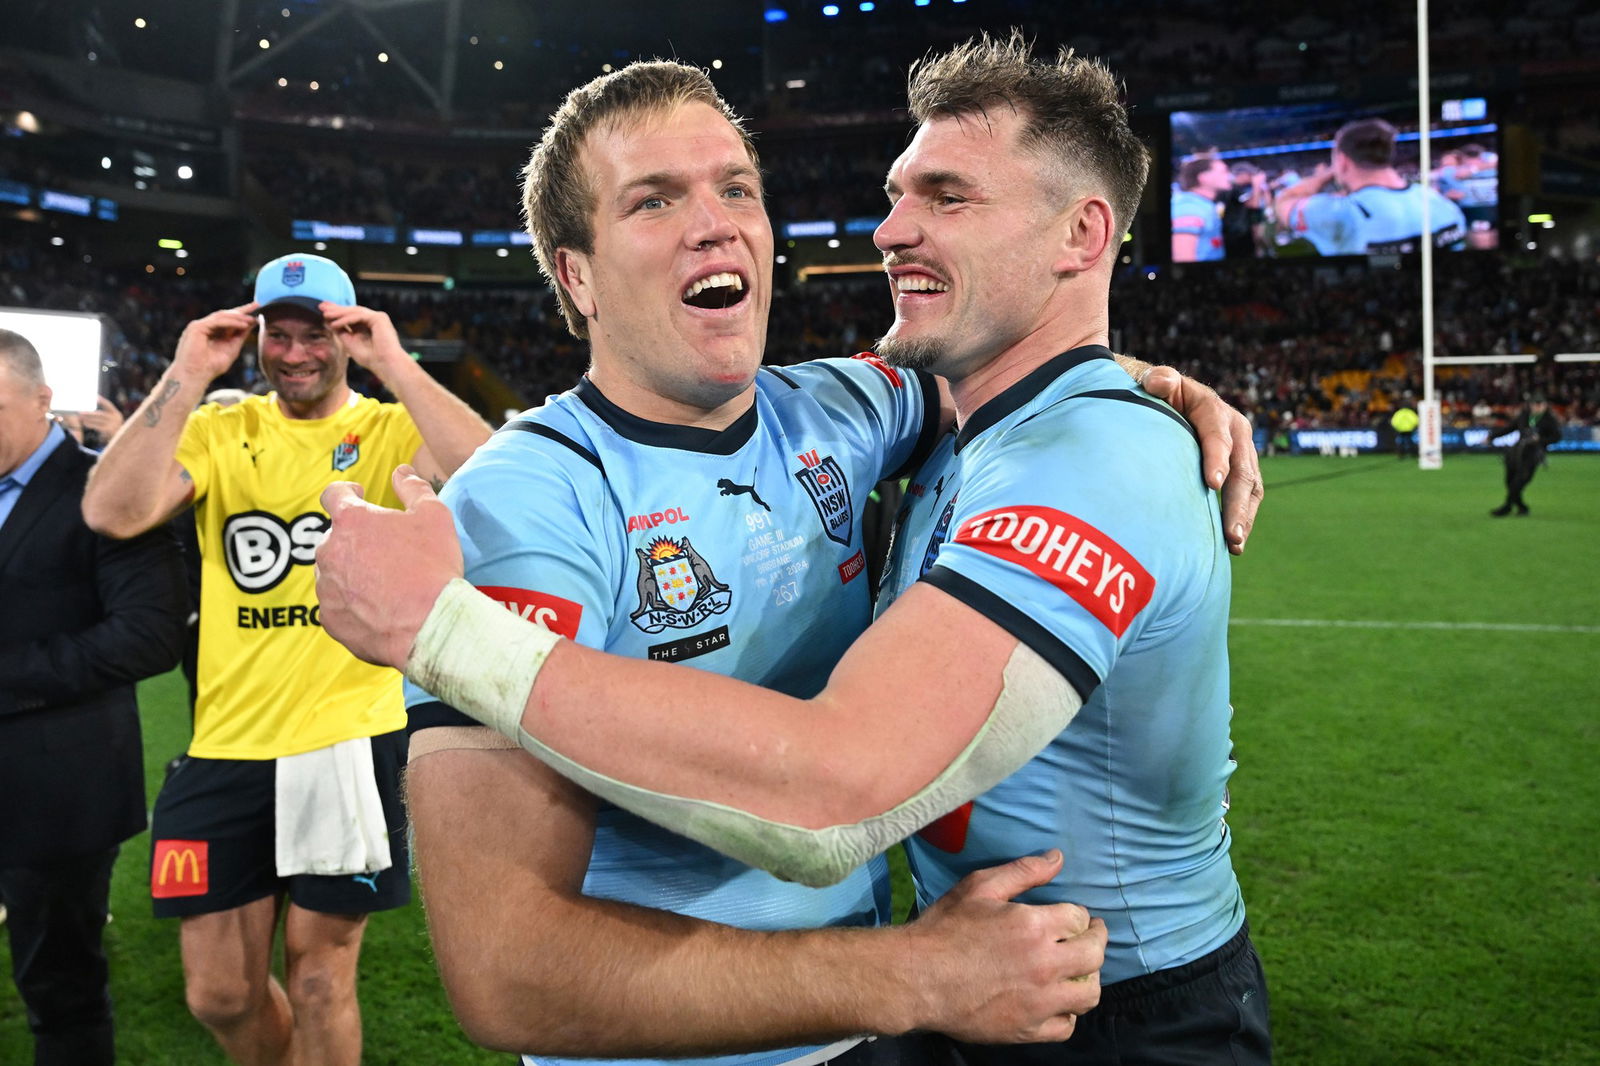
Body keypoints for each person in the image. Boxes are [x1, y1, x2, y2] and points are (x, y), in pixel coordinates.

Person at [316, 33, 1270, 1066]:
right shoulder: (526, 505)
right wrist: (908, 976)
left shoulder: (842, 411)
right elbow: (508, 969)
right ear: (576, 277)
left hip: (904, 1027)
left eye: (735, 187)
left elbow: (1016, 367)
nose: (713, 224)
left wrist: (1132, 387)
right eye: (653, 201)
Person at [79, 254, 491, 1066]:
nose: (295, 352)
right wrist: (191, 367)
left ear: (348, 335)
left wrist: (395, 363)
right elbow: (111, 509)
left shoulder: (385, 429)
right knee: (219, 993)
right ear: (257, 335)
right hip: (225, 739)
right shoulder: (223, 428)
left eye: (319, 334)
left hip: (348, 736)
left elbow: (489, 477)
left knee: (319, 983)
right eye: (280, 333)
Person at [0, 328, 187, 1065]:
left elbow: (147, 636)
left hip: (57, 791)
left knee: (62, 993)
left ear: (45, 400)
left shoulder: (106, 487)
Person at [1276, 117, 1468, 256]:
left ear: (1342, 161)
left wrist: (1327, 172)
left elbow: (1284, 201)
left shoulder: (1340, 213)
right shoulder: (1438, 201)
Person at [1490, 393, 1561, 516]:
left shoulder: (1549, 420)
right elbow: (1509, 428)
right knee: (1509, 481)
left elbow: (1556, 437)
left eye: (1540, 404)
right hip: (1517, 452)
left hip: (1533, 454)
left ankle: (1507, 507)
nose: (1538, 407)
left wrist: (1540, 440)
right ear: (1531, 405)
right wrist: (1491, 437)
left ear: (1545, 406)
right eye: (1536, 404)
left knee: (1519, 482)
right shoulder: (1524, 416)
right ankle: (1522, 507)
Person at [1171, 153, 1229, 262]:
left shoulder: (1202, 203)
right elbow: (1183, 258)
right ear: (1203, 177)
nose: (1228, 175)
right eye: (1223, 171)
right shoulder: (1189, 207)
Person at [1222, 162, 1269, 259]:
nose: (1252, 178)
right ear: (1242, 175)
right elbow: (1254, 205)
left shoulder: (1235, 188)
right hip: (1236, 234)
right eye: (1250, 175)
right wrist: (1257, 185)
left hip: (1236, 232)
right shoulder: (1233, 188)